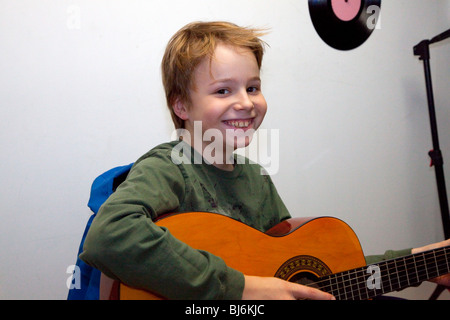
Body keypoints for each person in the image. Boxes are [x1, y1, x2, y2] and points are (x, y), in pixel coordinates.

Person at [80, 21, 449, 300]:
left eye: (253, 87)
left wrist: (419, 259)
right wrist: (241, 288)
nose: (245, 102)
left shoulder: (254, 177)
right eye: (223, 90)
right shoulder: (169, 166)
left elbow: (310, 265)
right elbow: (109, 237)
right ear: (180, 105)